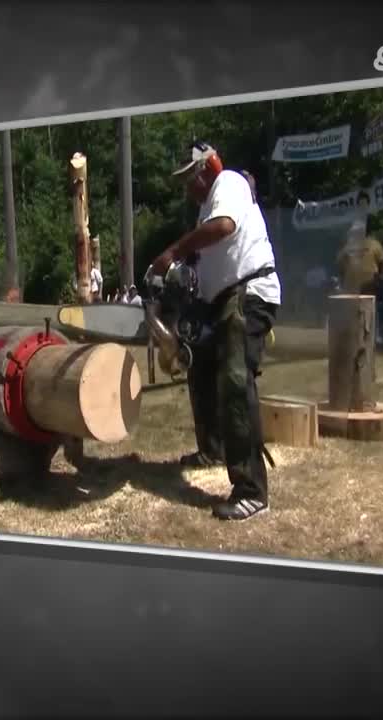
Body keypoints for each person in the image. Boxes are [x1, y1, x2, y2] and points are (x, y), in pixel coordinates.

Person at [149, 142, 282, 522]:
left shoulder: (229, 182)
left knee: (234, 382)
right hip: (218, 300)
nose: (189, 188)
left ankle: (251, 491)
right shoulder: (204, 210)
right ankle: (213, 448)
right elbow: (201, 253)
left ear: (206, 169)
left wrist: (172, 252)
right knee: (201, 370)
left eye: (191, 179)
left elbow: (224, 228)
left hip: (248, 292)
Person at [335, 192, 383, 344]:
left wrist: (382, 276)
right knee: (351, 311)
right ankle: (351, 334)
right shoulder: (349, 246)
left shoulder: (373, 243)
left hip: (370, 283)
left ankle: (375, 334)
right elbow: (340, 262)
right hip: (351, 284)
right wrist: (342, 278)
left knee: (372, 310)